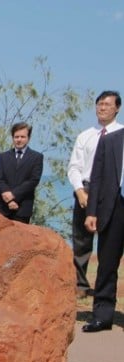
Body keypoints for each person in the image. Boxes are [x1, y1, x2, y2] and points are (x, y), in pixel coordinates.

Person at [68, 91, 122, 295]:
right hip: (87, 188)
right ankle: (80, 285)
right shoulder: (85, 135)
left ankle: (104, 287)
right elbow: (74, 167)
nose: (102, 108)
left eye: (107, 104)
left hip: (113, 192)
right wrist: (80, 191)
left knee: (110, 243)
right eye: (99, 104)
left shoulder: (121, 134)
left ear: (117, 108)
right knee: (81, 240)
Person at [81, 126, 124, 333]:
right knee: (107, 264)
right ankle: (102, 316)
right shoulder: (110, 140)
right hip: (113, 208)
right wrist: (92, 212)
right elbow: (96, 178)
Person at [0, 122, 44, 224]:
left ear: (28, 138)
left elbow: (33, 181)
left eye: (22, 137)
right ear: (12, 138)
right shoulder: (3, 157)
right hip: (3, 208)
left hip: (22, 208)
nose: (19, 140)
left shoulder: (36, 157)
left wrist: (13, 196)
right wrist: (9, 199)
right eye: (16, 137)